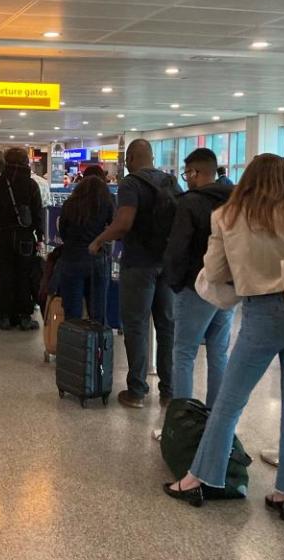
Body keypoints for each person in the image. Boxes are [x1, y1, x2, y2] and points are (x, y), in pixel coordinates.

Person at [163, 153, 284, 519]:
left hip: (261, 314)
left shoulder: (228, 218)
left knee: (230, 403)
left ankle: (200, 477)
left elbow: (216, 271)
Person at [89, 139, 182, 408]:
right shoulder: (171, 182)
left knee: (136, 326)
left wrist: (99, 240)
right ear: (152, 157)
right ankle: (168, 391)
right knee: (166, 326)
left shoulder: (130, 183)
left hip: (139, 264)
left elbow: (124, 223)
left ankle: (137, 391)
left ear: (129, 159)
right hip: (166, 263)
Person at [163, 149, 235, 409]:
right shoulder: (235, 200)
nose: (186, 179)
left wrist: (175, 282)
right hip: (228, 288)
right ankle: (215, 417)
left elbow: (178, 247)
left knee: (184, 353)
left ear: (196, 172)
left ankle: (183, 419)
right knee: (218, 354)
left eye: (187, 174)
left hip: (196, 287)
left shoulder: (190, 202)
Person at [0, 147, 44, 330]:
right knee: (24, 275)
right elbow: (38, 213)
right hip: (25, 237)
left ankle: (4, 315)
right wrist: (40, 235)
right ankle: (24, 316)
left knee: (5, 275)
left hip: (4, 236)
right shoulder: (31, 184)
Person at [57, 175, 114, 323]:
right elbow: (114, 227)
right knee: (98, 314)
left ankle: (73, 343)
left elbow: (63, 231)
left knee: (72, 313)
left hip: (71, 258)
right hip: (97, 259)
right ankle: (98, 344)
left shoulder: (69, 204)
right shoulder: (105, 204)